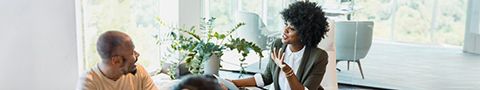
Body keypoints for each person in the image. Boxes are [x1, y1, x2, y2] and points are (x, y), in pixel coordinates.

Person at [230, 1, 330, 90]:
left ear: (305, 34)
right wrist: (231, 83)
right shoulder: (278, 45)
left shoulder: (319, 57)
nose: (285, 30)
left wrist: (288, 71)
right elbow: (266, 78)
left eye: (292, 29)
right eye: (286, 24)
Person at [77, 31, 158, 90]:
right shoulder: (88, 83)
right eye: (132, 52)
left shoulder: (139, 71)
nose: (137, 54)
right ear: (116, 61)